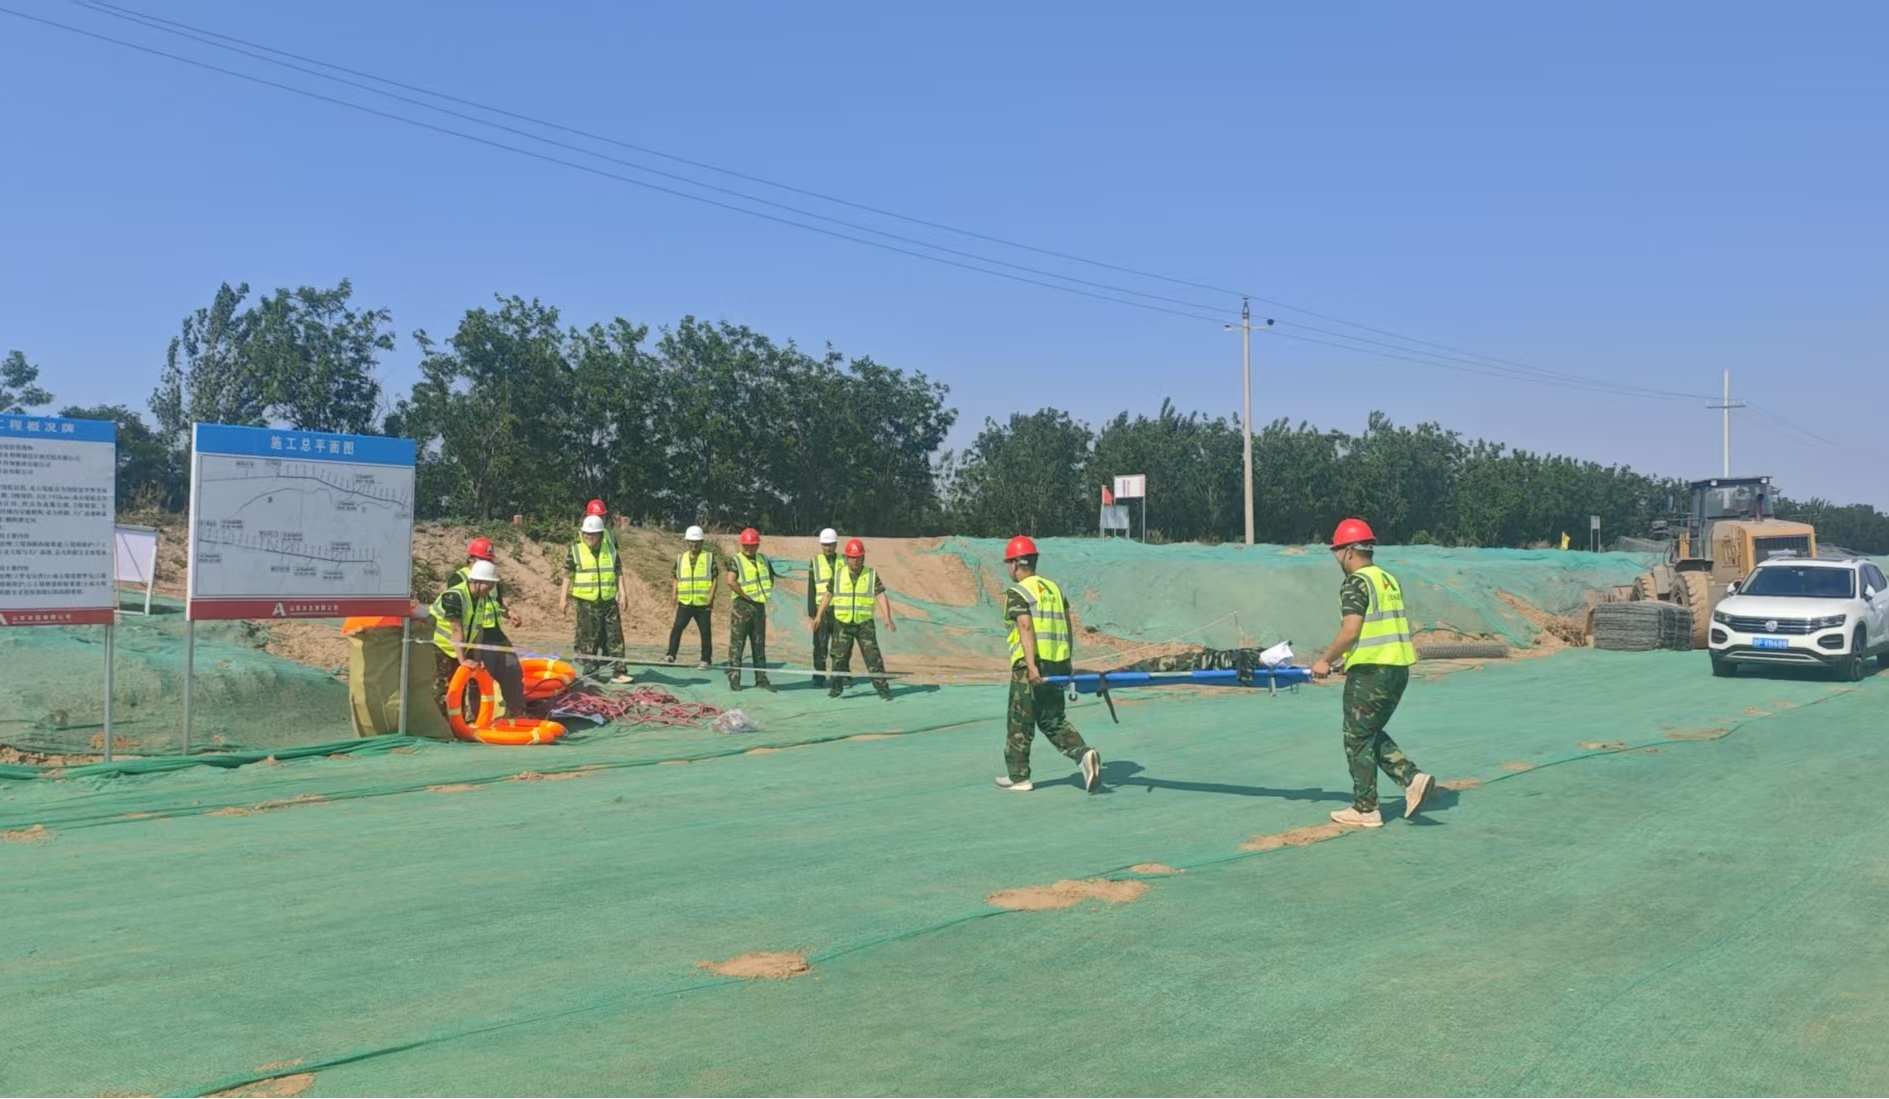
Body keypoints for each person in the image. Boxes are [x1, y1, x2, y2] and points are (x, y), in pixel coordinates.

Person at [1310, 518, 1434, 828]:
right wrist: (1348, 659)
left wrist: (1325, 660)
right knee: (1367, 733)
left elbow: (1351, 630)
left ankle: (1367, 808)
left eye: (1337, 552)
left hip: (1371, 673)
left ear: (1350, 551)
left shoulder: (1356, 582)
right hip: (1397, 669)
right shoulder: (1387, 580)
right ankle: (1411, 779)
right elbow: (1378, 629)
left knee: (1356, 737)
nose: (1337, 558)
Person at [995, 536, 1101, 794]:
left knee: (1020, 720)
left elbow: (1025, 625)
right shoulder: (1054, 589)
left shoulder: (1018, 592)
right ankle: (1083, 754)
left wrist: (1031, 664)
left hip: (1031, 666)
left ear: (1016, 564)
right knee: (1053, 719)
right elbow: (1067, 627)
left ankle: (1019, 777)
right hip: (1058, 664)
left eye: (1008, 563)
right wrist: (1067, 662)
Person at [430, 558, 527, 720]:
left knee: (459, 689)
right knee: (445, 689)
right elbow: (456, 629)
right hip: (440, 647)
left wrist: (476, 657)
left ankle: (458, 724)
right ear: (477, 581)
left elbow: (478, 629)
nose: (491, 589)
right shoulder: (454, 596)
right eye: (489, 584)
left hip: (458, 648)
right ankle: (441, 725)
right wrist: (463, 661)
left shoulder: (480, 598)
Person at [812, 538, 895, 700]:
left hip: (864, 624)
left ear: (863, 557)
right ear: (846, 558)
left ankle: (883, 690)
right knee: (838, 658)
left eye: (858, 557)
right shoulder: (838, 574)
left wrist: (887, 618)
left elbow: (880, 596)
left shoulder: (871, 574)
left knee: (873, 658)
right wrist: (819, 615)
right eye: (852, 557)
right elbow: (828, 595)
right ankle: (836, 689)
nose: (855, 561)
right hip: (843, 623)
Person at [560, 514, 632, 683]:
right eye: (586, 533)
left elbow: (618, 572)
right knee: (588, 637)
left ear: (600, 534)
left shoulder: (611, 550)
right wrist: (563, 598)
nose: (589, 537)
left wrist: (623, 593)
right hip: (587, 603)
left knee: (615, 635)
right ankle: (591, 669)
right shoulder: (576, 550)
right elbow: (568, 575)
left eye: (592, 534)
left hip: (608, 600)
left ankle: (618, 671)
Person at [726, 527, 777, 692]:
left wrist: (763, 593)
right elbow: (731, 581)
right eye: (746, 545)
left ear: (757, 545)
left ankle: (761, 679)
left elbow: (770, 578)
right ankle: (734, 678)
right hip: (742, 606)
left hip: (759, 607)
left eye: (752, 545)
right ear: (742, 545)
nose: (749, 548)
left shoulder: (763, 559)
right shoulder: (736, 560)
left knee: (759, 644)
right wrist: (745, 596)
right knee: (737, 644)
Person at [665, 525, 716, 669]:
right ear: (687, 542)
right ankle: (671, 654)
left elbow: (715, 578)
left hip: (702, 603)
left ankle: (705, 659)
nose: (694, 544)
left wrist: (711, 596)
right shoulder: (681, 559)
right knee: (677, 628)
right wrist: (674, 593)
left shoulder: (709, 558)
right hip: (685, 602)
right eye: (691, 542)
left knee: (705, 632)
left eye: (697, 542)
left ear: (702, 542)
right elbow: (675, 577)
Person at [449, 537, 519, 629]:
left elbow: (498, 603)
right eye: (483, 559)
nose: (487, 563)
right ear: (471, 559)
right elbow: (454, 609)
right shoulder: (458, 578)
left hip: (494, 628)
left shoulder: (492, 578)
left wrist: (509, 614)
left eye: (489, 560)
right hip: (474, 628)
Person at [807, 528, 842, 689]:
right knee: (820, 645)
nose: (827, 548)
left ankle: (839, 676)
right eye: (825, 545)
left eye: (830, 544)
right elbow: (811, 587)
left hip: (839, 609)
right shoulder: (815, 562)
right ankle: (819, 676)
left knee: (840, 646)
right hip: (821, 610)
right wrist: (812, 613)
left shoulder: (844, 560)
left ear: (836, 544)